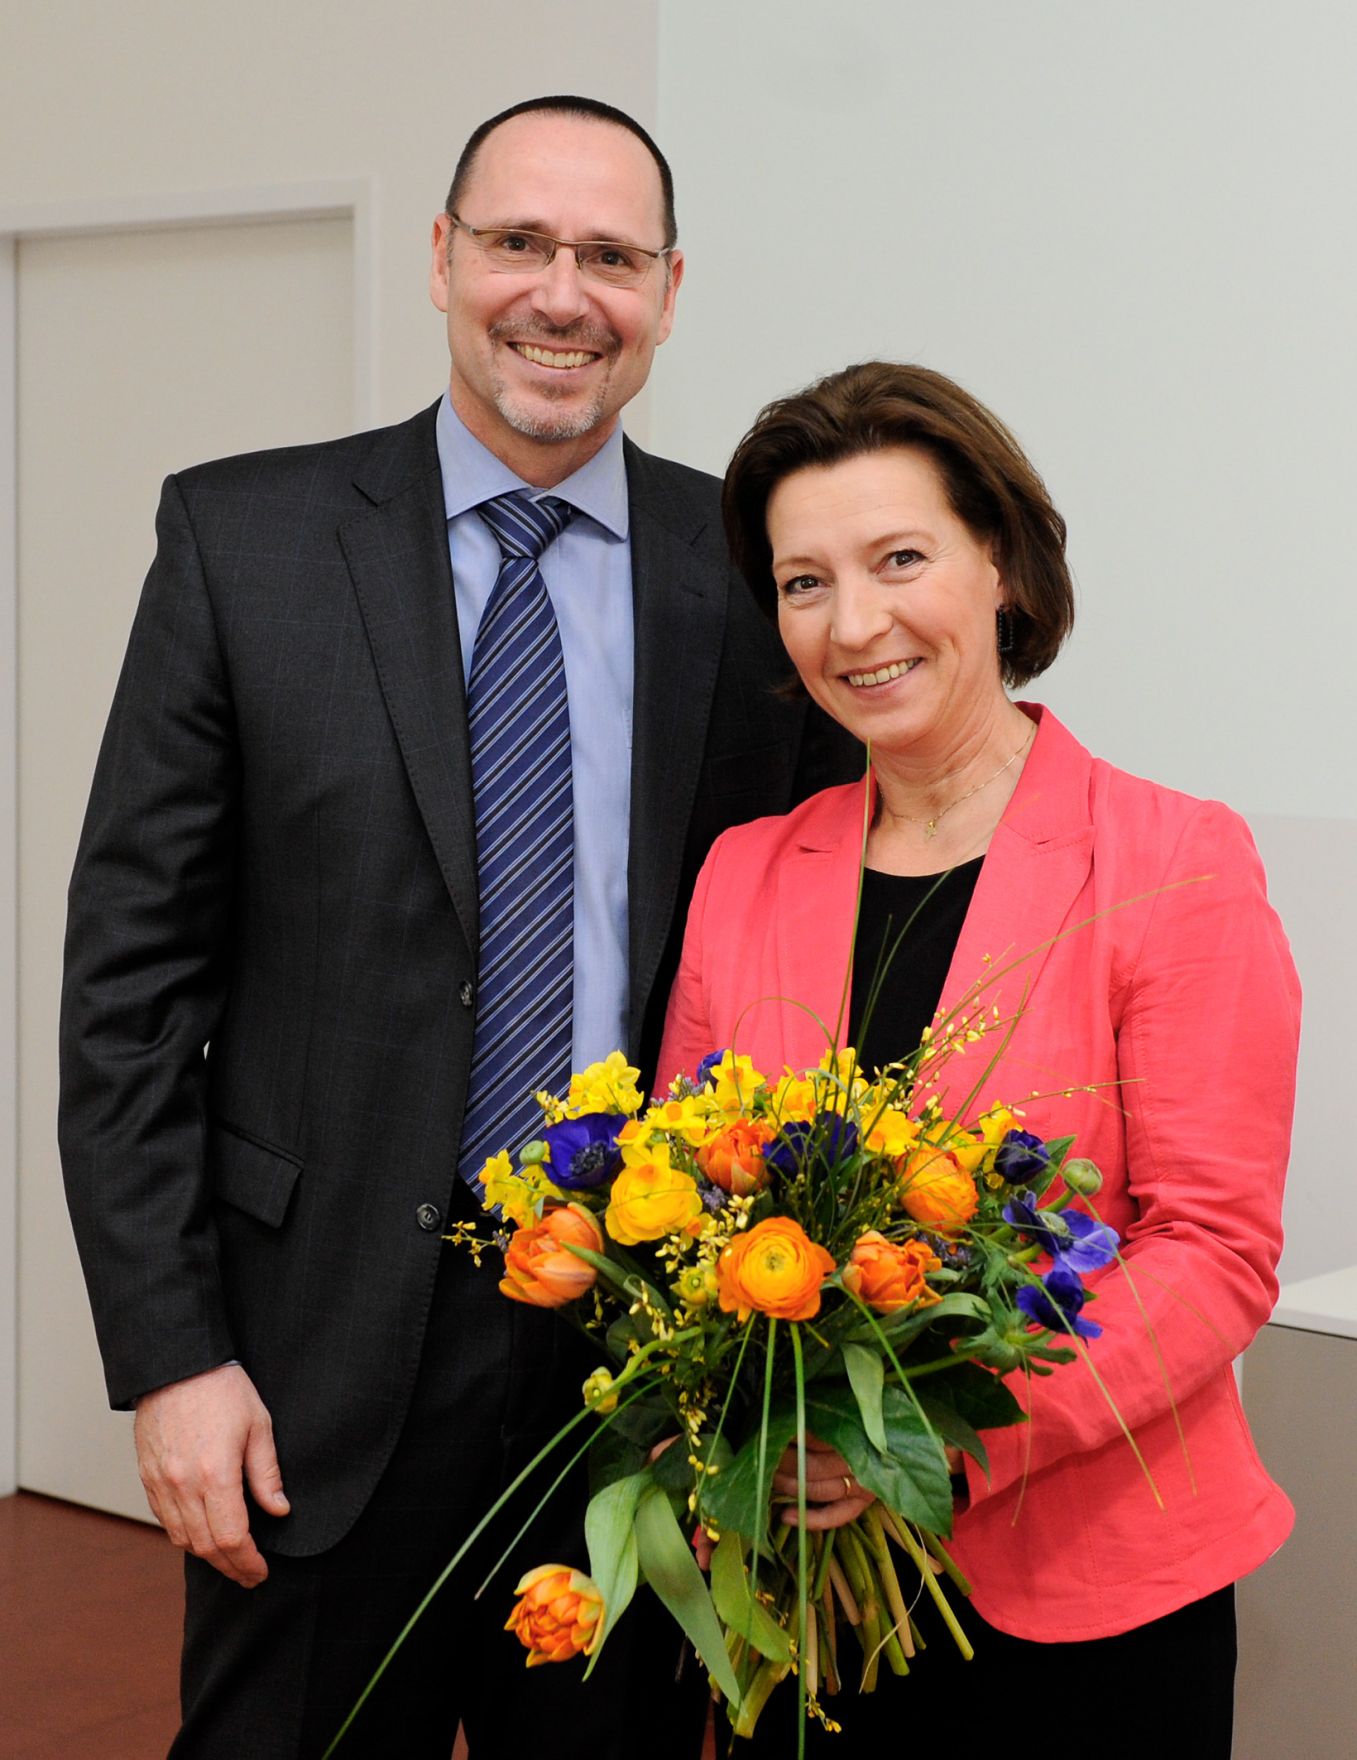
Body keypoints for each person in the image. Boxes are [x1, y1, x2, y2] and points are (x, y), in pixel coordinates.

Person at [57, 96, 857, 1759]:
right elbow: (130, 988)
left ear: (668, 287)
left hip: (640, 1371)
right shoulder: (243, 541)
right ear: (440, 258)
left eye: (609, 257)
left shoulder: (747, 577)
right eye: (517, 243)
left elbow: (818, 947)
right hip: (312, 1360)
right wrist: (170, 1355)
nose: (561, 294)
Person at [656, 361, 1298, 1755]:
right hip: (804, 1589)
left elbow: (1210, 1250)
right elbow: (683, 1203)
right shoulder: (744, 874)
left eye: (898, 560)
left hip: (1091, 1601)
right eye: (804, 580)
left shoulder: (1171, 861)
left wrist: (925, 1449)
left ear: (998, 566)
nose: (855, 623)